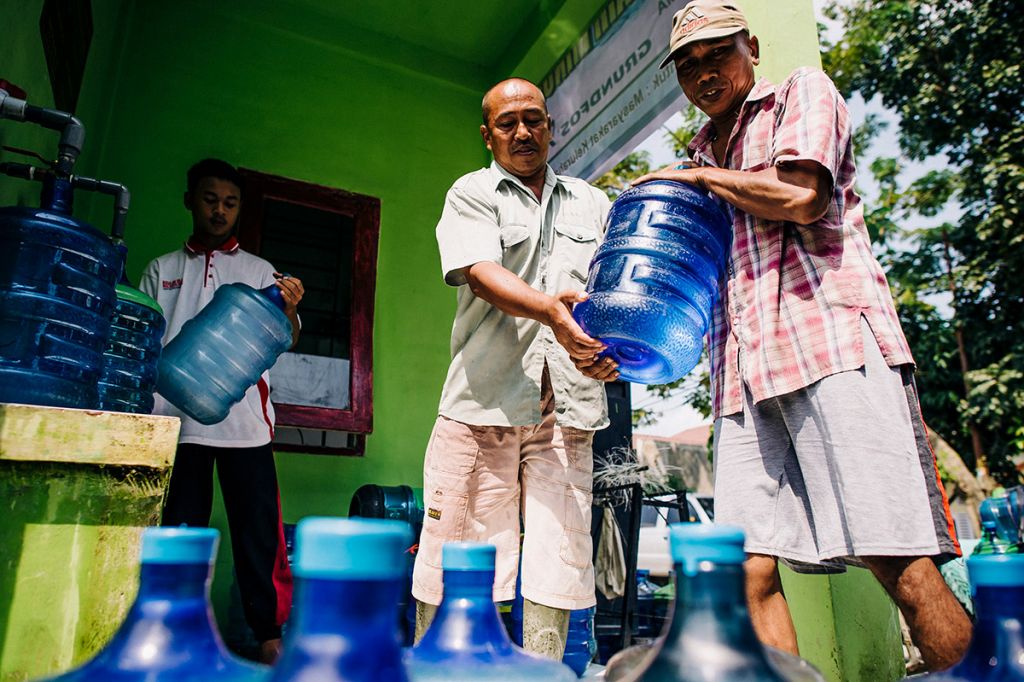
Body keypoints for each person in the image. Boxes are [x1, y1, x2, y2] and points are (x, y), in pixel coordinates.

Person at [620, 0, 972, 671]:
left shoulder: (802, 92)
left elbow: (802, 193)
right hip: (744, 379)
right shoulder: (697, 153)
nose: (704, 73)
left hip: (831, 349)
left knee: (898, 560)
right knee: (746, 574)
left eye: (718, 53)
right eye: (687, 65)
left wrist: (695, 181)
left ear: (751, 47)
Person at [410, 78, 618, 660]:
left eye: (534, 119)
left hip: (569, 411)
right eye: (508, 123)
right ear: (488, 134)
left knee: (561, 559)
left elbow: (612, 293)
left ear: (550, 125)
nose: (523, 132)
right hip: (482, 404)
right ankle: (440, 671)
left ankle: (543, 674)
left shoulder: (593, 203)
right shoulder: (471, 193)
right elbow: (477, 269)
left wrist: (615, 350)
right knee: (454, 553)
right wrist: (552, 310)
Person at [139, 158, 305, 664]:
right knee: (178, 530)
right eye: (210, 199)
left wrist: (291, 309)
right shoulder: (162, 269)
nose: (219, 210)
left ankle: (269, 633)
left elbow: (285, 339)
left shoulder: (258, 270)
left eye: (230, 203)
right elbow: (146, 341)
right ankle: (171, 625)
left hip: (244, 427)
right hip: (174, 423)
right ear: (190, 199)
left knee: (259, 537)